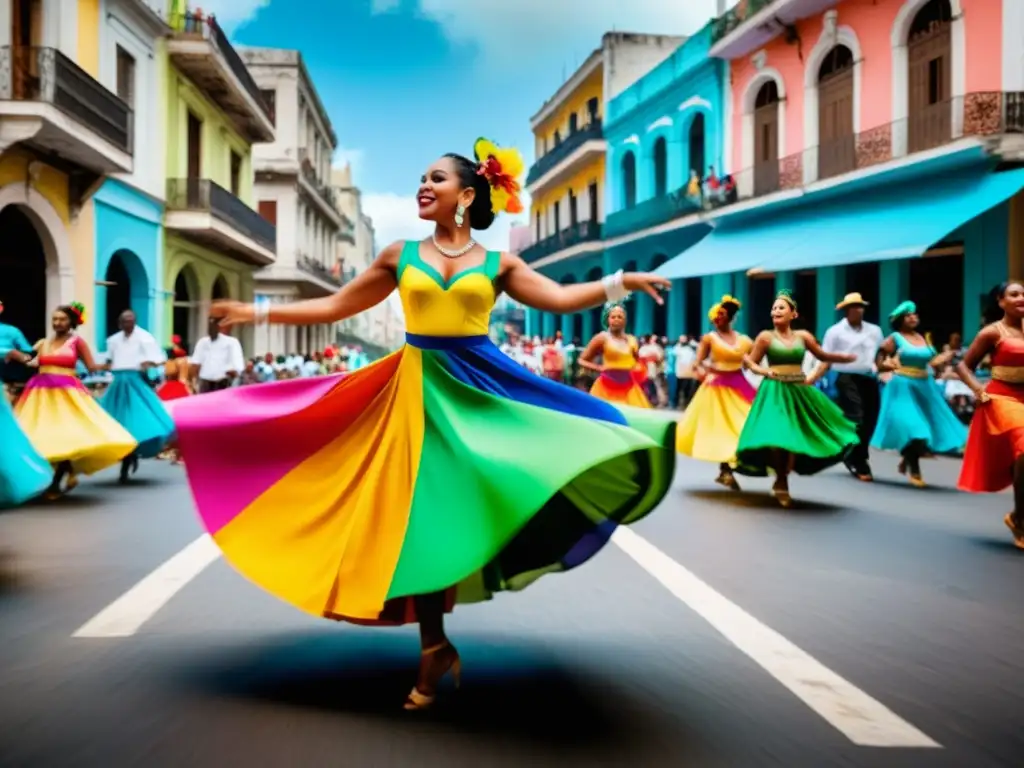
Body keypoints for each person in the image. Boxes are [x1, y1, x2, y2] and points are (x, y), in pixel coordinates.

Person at [169, 139, 674, 710]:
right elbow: (335, 307)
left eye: (436, 178)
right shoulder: (398, 254)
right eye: (421, 179)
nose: (424, 186)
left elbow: (558, 299)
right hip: (411, 394)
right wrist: (256, 310)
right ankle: (434, 645)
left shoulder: (498, 263)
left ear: (466, 194)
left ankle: (436, 646)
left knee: (464, 506)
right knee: (416, 518)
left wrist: (621, 282)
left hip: (480, 390)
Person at [736, 291, 859, 507]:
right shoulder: (765, 337)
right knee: (778, 434)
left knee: (796, 435)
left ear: (793, 314)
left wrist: (843, 358)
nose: (776, 311)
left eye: (781, 308)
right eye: (774, 308)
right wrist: (765, 372)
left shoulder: (804, 337)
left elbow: (822, 356)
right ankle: (781, 480)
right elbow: (750, 364)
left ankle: (784, 475)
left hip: (798, 388)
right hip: (774, 391)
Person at [11, 303, 136, 499]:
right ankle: (65, 473)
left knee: (66, 436)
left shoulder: (77, 342)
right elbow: (34, 362)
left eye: (62, 319)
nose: (57, 323)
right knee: (42, 437)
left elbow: (92, 367)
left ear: (71, 322)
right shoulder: (43, 343)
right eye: (54, 319)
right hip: (40, 396)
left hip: (67, 396)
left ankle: (54, 483)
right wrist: (16, 356)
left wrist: (116, 364)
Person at [955, 281, 1024, 549]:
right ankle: (1021, 521)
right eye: (1014, 294)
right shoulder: (992, 333)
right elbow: (963, 365)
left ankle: (1018, 515)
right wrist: (977, 389)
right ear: (1000, 301)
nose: (1021, 299)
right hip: (1002, 398)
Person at [869, 302, 967, 487]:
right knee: (915, 429)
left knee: (933, 428)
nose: (913, 317)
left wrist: (942, 361)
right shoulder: (895, 338)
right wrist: (886, 366)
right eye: (908, 315)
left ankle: (907, 458)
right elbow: (879, 359)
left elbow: (934, 365)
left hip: (925, 387)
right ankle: (914, 469)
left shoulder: (924, 338)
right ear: (900, 320)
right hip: (902, 387)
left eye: (914, 314)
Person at [675, 296, 755, 490]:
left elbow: (753, 361)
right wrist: (701, 372)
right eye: (717, 316)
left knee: (744, 423)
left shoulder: (744, 340)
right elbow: (698, 362)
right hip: (716, 388)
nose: (719, 319)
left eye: (724, 315)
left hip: (740, 385)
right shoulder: (709, 338)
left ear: (731, 317)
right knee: (721, 429)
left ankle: (740, 462)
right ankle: (726, 469)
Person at [101, 310, 175, 483]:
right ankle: (127, 456)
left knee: (136, 421)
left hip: (135, 381)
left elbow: (159, 357)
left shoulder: (144, 337)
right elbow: (109, 361)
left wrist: (149, 363)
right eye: (125, 321)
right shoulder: (113, 340)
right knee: (116, 422)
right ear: (120, 323)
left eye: (131, 321)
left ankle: (129, 459)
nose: (129, 324)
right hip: (118, 382)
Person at [820, 293, 885, 482]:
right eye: (854, 306)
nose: (858, 309)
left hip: (869, 376)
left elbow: (880, 355)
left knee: (871, 417)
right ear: (847, 310)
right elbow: (826, 356)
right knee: (857, 416)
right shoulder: (835, 331)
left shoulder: (874, 331)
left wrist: (883, 368)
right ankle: (858, 459)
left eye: (860, 306)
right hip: (846, 377)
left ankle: (854, 453)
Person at [0, 306, 51, 506]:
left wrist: (23, 357)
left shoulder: (12, 332)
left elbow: (28, 354)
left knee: (6, 440)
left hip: (11, 379)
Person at [577, 303, 651, 407]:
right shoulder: (602, 338)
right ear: (608, 320)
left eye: (620, 317)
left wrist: (640, 370)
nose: (616, 319)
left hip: (629, 388)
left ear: (625, 321)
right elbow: (581, 360)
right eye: (613, 317)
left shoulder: (632, 340)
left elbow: (636, 362)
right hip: (606, 386)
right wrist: (598, 367)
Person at [189, 317, 245, 393]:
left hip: (223, 383)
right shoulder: (202, 342)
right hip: (205, 384)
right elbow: (195, 365)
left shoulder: (231, 342)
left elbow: (237, 368)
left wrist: (231, 373)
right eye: (210, 324)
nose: (210, 327)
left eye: (213, 324)